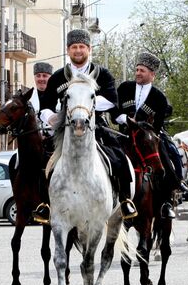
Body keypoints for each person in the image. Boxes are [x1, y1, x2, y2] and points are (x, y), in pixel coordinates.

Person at [34, 28, 137, 224]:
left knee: (119, 157)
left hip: (96, 127)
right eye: (74, 47)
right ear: (68, 50)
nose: (78, 50)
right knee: (43, 160)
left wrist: (86, 104)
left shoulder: (102, 74)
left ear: (89, 49)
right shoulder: (58, 77)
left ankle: (124, 200)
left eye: (82, 47)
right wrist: (51, 118)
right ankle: (45, 204)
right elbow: (45, 106)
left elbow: (112, 101)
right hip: (65, 130)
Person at [115, 51, 185, 219]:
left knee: (168, 155)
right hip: (125, 135)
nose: (138, 73)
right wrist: (125, 119)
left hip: (148, 138)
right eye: (137, 69)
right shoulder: (124, 88)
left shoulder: (159, 98)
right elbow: (114, 112)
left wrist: (143, 129)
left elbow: (158, 125)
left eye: (142, 70)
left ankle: (167, 199)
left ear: (152, 75)